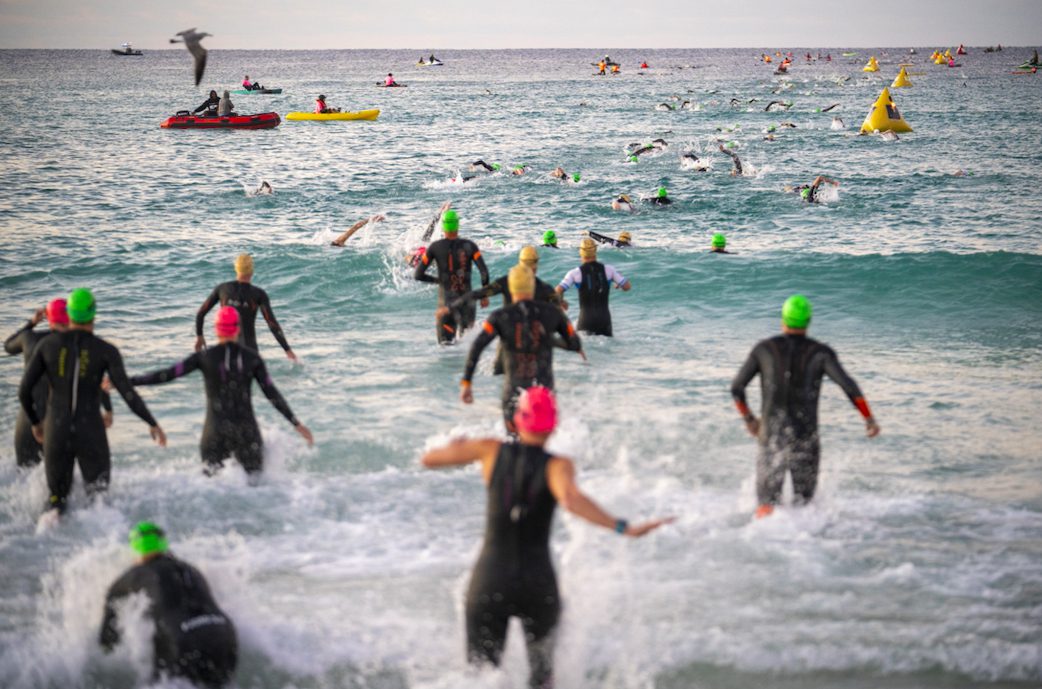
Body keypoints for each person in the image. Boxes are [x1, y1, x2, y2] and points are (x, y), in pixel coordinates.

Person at [422, 387, 671, 688]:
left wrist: (458, 445)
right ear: (553, 425)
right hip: (537, 585)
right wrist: (622, 527)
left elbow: (430, 460)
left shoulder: (490, 450)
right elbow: (570, 498)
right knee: (542, 680)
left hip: (490, 580)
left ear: (516, 420)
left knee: (479, 678)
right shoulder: (558, 465)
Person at [731, 295, 881, 518]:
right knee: (805, 508)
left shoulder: (765, 349)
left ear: (783, 319)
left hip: (771, 434)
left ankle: (763, 543)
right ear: (808, 320)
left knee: (766, 506)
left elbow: (736, 388)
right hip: (806, 436)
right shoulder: (820, 353)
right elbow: (850, 387)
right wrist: (869, 419)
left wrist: (750, 421)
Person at [19, 289, 166, 514]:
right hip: (90, 431)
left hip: (56, 429)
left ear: (69, 314)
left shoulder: (47, 346)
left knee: (56, 501)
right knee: (99, 499)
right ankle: (102, 543)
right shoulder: (106, 350)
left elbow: (24, 391)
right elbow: (128, 393)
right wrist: (152, 423)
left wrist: (36, 423)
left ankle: (48, 537)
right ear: (93, 314)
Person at [132, 307, 312, 475]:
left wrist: (128, 381)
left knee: (212, 490)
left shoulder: (204, 357)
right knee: (256, 490)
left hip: (214, 434)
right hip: (246, 433)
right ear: (238, 329)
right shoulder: (253, 359)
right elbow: (271, 393)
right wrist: (296, 423)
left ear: (217, 329)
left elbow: (167, 374)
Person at [100, 522, 238, 687]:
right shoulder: (190, 570)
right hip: (224, 633)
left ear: (136, 550)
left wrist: (106, 652)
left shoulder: (137, 574)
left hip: (183, 639)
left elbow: (109, 623)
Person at [461, 266, 583, 429]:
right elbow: (575, 344)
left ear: (511, 287)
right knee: (540, 445)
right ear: (532, 286)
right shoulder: (554, 313)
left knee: (514, 443)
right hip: (543, 392)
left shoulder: (499, 316)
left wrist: (467, 383)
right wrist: (548, 339)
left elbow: (477, 346)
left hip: (513, 392)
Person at [5, 300, 113, 468]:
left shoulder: (29, 338)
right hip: (57, 422)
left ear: (49, 318)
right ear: (70, 317)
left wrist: (31, 323)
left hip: (28, 420)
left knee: (25, 478)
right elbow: (92, 381)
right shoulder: (77, 345)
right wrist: (107, 408)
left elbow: (8, 346)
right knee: (61, 483)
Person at [441, 247, 564, 376]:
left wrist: (451, 307)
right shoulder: (545, 288)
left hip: (507, 343)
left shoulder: (506, 282)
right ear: (536, 265)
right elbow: (558, 315)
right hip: (532, 345)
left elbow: (478, 293)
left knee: (500, 377)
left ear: (520, 262)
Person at [195, 253, 297, 361]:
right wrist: (287, 350)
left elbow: (201, 313)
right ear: (252, 271)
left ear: (236, 269)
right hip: (250, 352)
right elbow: (272, 324)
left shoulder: (222, 289)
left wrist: (199, 336)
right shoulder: (258, 294)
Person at [414, 203, 490, 344]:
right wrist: (485, 295)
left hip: (446, 303)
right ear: (458, 225)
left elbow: (418, 275)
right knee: (466, 346)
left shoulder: (434, 247)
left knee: (446, 347)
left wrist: (439, 281)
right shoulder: (470, 246)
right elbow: (484, 272)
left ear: (443, 226)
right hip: (468, 303)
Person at [554, 238, 631, 337]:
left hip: (586, 321)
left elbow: (558, 290)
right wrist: (618, 285)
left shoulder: (575, 273)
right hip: (605, 321)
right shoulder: (609, 270)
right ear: (595, 250)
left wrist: (561, 302)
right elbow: (627, 286)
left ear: (581, 251)